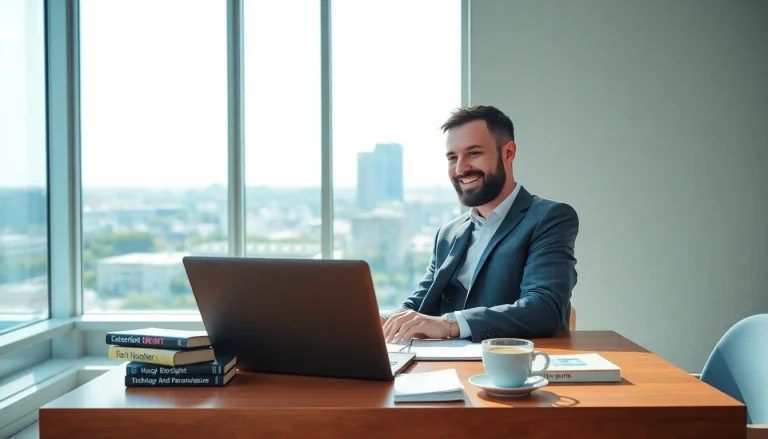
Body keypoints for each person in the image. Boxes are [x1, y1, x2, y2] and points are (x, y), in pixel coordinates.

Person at [380, 105, 579, 343]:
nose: (460, 168)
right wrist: (381, 320)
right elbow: (421, 302)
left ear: (508, 153)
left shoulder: (549, 218)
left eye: (473, 153)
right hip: (446, 360)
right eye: (452, 158)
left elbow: (544, 309)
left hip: (516, 360)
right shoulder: (448, 234)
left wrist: (448, 324)